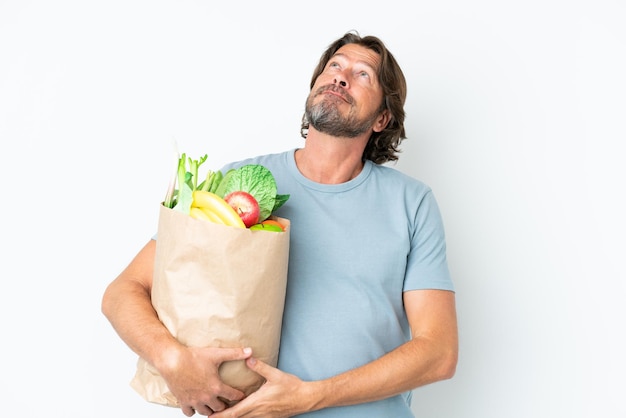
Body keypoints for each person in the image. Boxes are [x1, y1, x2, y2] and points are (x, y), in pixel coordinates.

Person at [102, 31, 458, 418]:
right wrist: (171, 360)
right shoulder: (238, 183)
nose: (341, 77)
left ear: (382, 119)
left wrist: (311, 396)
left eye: (363, 75)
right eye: (334, 66)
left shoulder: (412, 203)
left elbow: (438, 352)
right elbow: (123, 291)